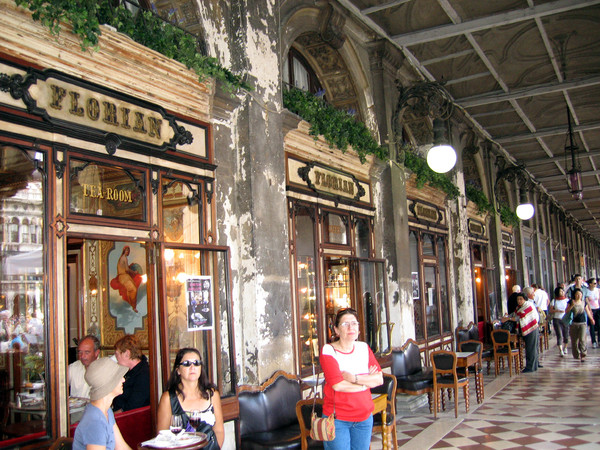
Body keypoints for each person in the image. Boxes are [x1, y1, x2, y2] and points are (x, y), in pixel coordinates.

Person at [320, 307, 383, 449]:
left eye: (354, 323)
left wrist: (354, 378)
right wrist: (366, 382)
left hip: (364, 416)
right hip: (338, 419)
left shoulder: (363, 348)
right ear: (336, 330)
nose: (351, 327)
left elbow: (379, 379)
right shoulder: (329, 350)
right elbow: (338, 385)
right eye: (345, 324)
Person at [157, 348, 223, 449]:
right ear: (178, 370)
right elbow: (162, 436)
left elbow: (219, 430)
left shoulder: (212, 394)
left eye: (196, 363)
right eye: (187, 363)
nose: (193, 367)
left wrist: (216, 446)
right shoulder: (168, 398)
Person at [73, 357, 132, 450]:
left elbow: (121, 447)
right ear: (109, 384)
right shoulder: (95, 422)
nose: (123, 380)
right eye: (118, 377)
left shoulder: (107, 410)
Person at [112, 334, 150, 412]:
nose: (115, 358)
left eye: (117, 354)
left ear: (127, 354)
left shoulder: (144, 375)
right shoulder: (127, 371)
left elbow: (132, 406)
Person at [503, 291, 539, 373]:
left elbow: (520, 317)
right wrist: (507, 316)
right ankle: (533, 366)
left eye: (521, 299)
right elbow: (514, 314)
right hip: (527, 329)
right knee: (530, 348)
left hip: (531, 328)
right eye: (518, 299)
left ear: (525, 299)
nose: (519, 301)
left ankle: (531, 367)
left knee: (531, 348)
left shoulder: (528, 305)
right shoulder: (519, 307)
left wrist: (508, 319)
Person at [564, 288, 595, 362]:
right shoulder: (571, 302)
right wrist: (571, 305)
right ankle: (576, 354)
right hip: (573, 323)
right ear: (574, 295)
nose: (579, 296)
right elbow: (566, 311)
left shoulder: (584, 302)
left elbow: (587, 311)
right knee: (574, 341)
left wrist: (591, 319)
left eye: (580, 294)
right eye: (577, 294)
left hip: (582, 323)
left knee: (582, 339)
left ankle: (583, 354)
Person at [110, 246, 142, 312]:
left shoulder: (123, 258)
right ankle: (133, 306)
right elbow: (127, 269)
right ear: (124, 251)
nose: (127, 252)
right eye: (126, 250)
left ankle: (133, 306)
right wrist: (134, 272)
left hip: (125, 276)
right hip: (123, 276)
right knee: (133, 289)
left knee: (132, 289)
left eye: (128, 250)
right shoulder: (124, 258)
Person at [549, 286, 569, 356]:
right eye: (561, 291)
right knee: (559, 335)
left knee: (566, 334)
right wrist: (557, 310)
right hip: (557, 319)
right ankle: (561, 350)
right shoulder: (554, 301)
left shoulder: (567, 300)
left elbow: (569, 309)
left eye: (563, 291)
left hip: (565, 319)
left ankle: (565, 347)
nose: (562, 292)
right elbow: (551, 310)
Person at [586, 278, 600, 348]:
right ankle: (593, 341)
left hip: (598, 309)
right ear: (590, 284)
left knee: (599, 325)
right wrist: (589, 310)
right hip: (591, 310)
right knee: (592, 326)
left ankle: (599, 340)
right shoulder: (587, 291)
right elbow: (587, 302)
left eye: (596, 283)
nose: (595, 284)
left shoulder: (597, 290)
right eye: (594, 283)